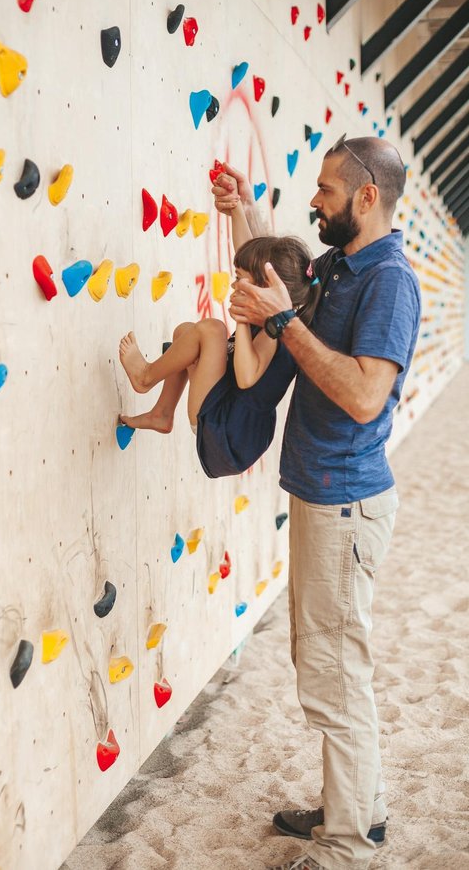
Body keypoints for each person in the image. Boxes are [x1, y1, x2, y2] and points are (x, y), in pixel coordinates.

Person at [213, 135, 421, 870]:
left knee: (334, 675)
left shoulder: (388, 282)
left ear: (368, 197)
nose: (314, 201)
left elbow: (366, 395)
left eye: (327, 191)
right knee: (329, 665)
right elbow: (278, 276)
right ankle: (355, 808)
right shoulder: (341, 265)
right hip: (324, 499)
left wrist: (284, 325)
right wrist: (242, 214)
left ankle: (346, 846)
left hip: (344, 507)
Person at [118, 201, 321, 477]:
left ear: (265, 288)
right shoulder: (269, 308)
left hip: (227, 433)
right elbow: (246, 251)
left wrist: (240, 319)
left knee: (212, 329)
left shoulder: (278, 331)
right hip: (230, 413)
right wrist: (237, 209)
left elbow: (247, 377)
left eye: (241, 279)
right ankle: (162, 413)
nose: (235, 284)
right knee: (185, 333)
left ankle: (144, 377)